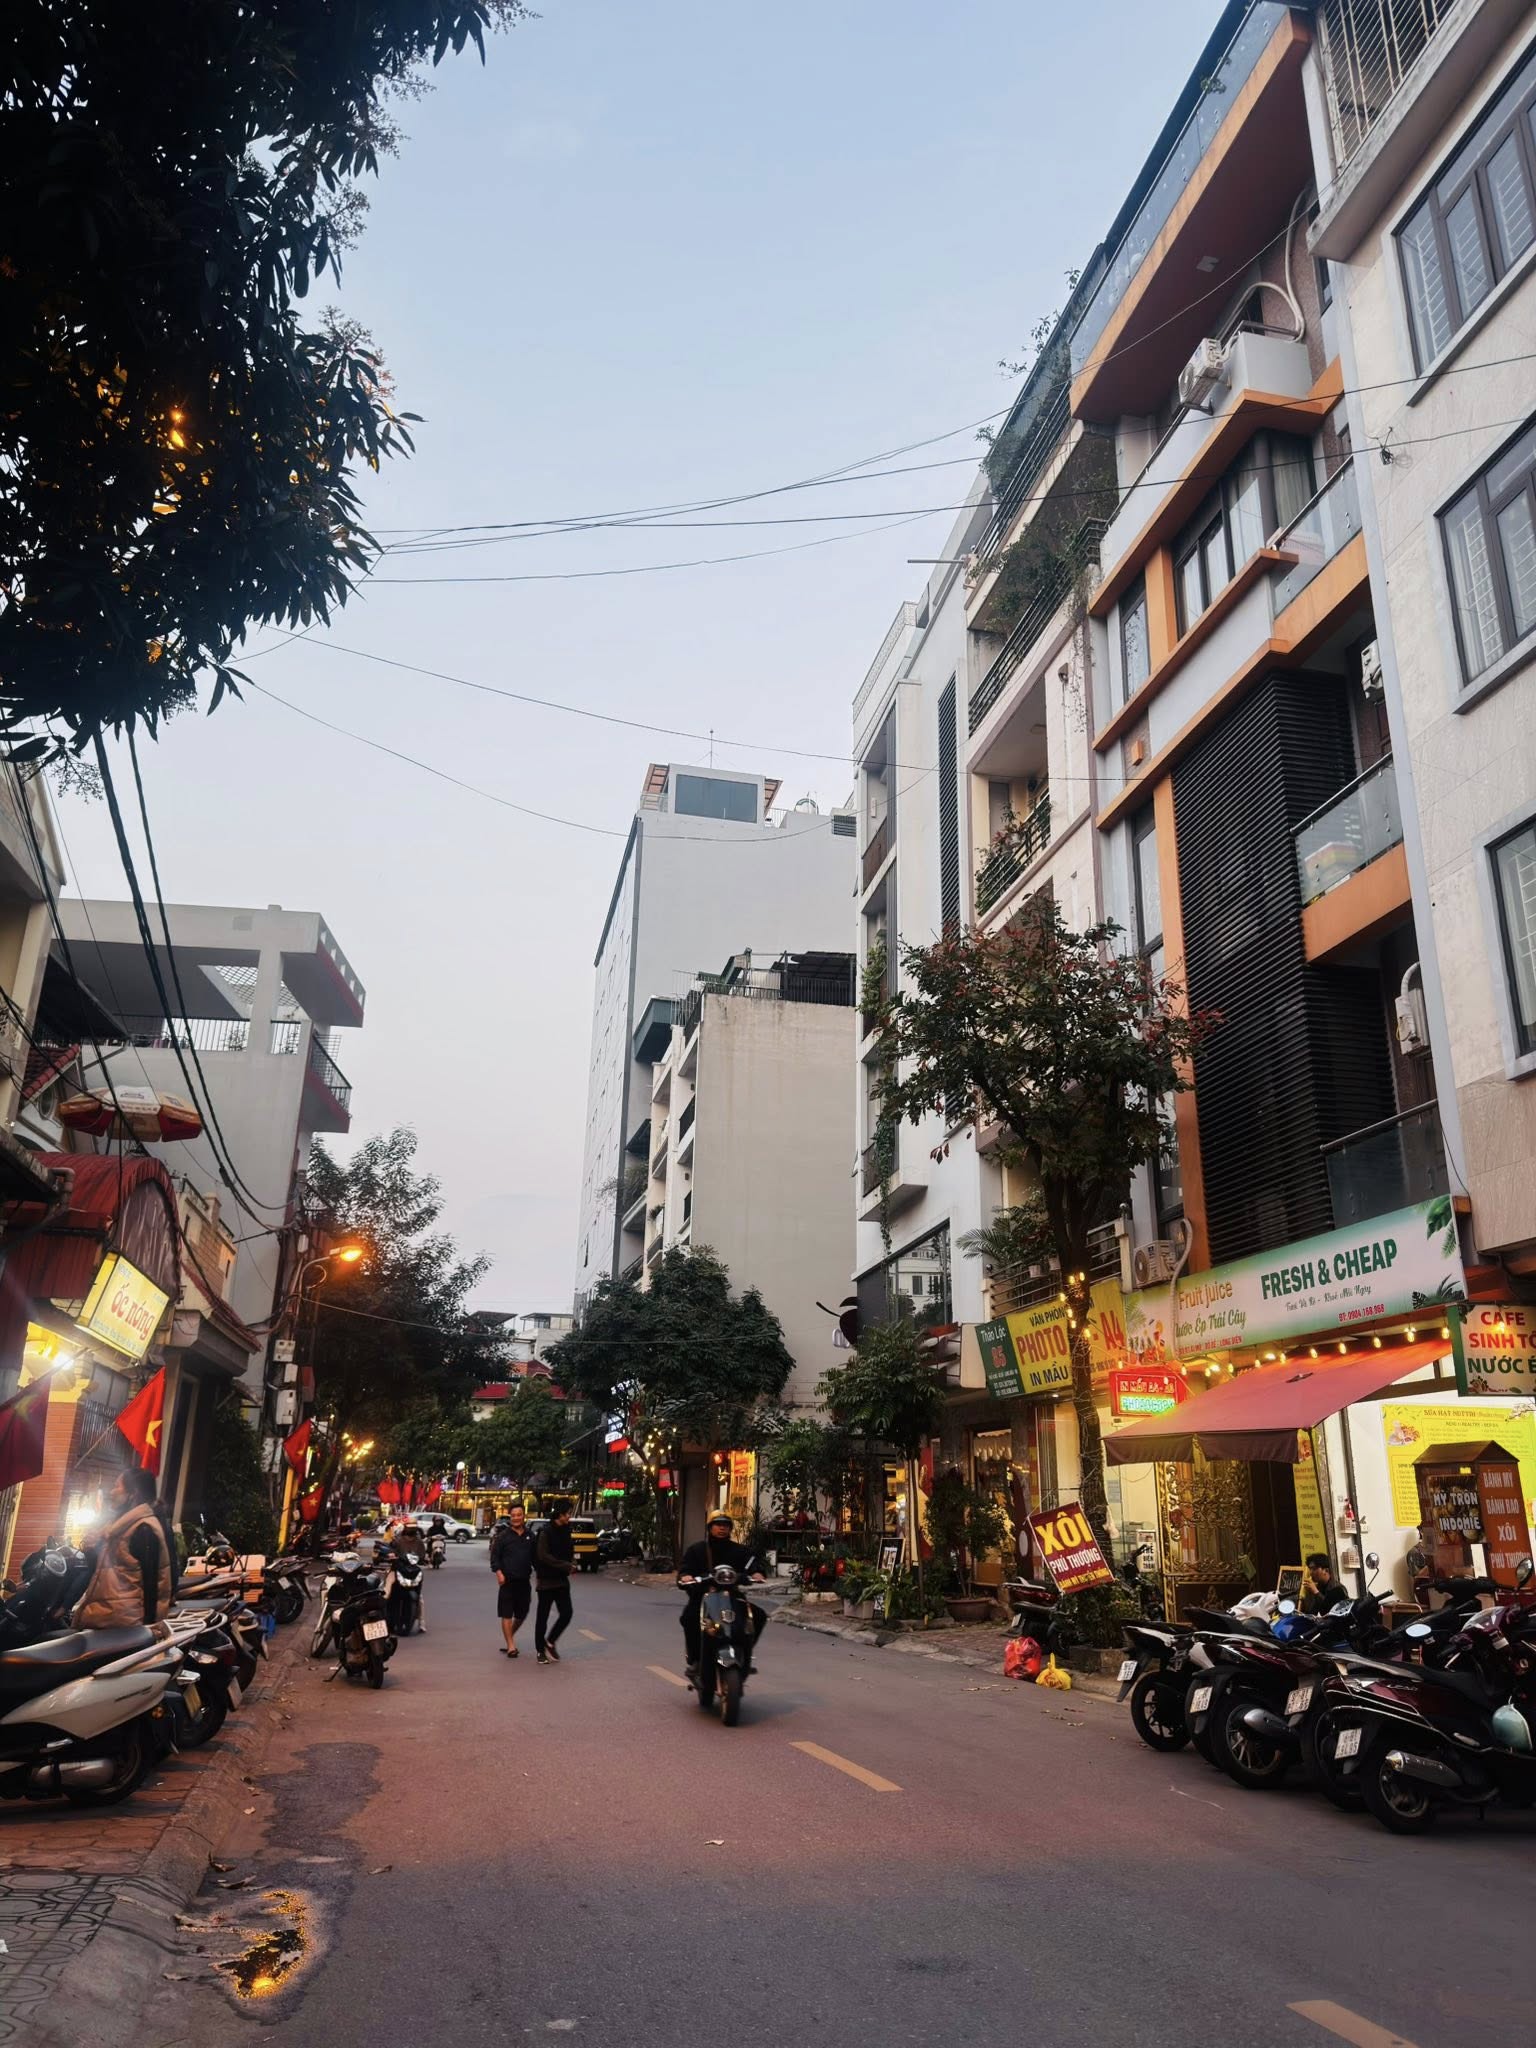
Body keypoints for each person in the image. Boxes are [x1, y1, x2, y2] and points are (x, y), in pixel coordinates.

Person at [72, 1467, 173, 1631]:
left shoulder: (143, 1529)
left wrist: (148, 1632)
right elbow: (105, 1571)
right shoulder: (119, 1526)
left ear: (133, 1494)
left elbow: (153, 1585)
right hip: (105, 1617)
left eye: (116, 1486)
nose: (111, 1492)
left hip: (121, 1625)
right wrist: (91, 1549)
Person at [677, 1512, 767, 1673]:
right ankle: (696, 1659)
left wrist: (756, 1573)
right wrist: (686, 1577)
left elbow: (752, 1564)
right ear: (710, 1528)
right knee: (689, 1618)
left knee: (758, 1616)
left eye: (726, 1525)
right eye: (718, 1525)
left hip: (732, 1596)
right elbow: (685, 1570)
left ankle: (744, 1654)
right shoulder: (697, 1550)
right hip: (704, 1596)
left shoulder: (740, 1550)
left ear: (730, 1529)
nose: (722, 1528)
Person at [490, 1504, 537, 1657]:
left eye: (519, 1515)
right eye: (513, 1515)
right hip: (507, 1581)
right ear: (510, 1517)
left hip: (524, 1581)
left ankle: (509, 1635)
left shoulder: (530, 1536)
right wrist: (499, 1573)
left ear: (524, 1516)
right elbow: (495, 1557)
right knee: (506, 1613)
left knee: (522, 1614)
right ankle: (511, 1646)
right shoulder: (503, 1536)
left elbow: (536, 1558)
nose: (516, 1518)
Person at [534, 1501, 576, 1664]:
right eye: (568, 1513)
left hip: (561, 1580)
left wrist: (572, 1563)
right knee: (542, 1617)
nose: (569, 1516)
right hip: (546, 1580)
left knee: (567, 1613)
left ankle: (550, 1642)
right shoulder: (545, 1532)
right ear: (560, 1514)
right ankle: (540, 1651)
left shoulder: (566, 1530)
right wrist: (565, 1566)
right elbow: (543, 1555)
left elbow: (569, 1550)